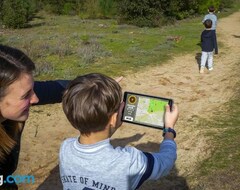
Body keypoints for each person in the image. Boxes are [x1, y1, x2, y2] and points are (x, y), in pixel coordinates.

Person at [60, 73, 179, 189]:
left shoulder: (65, 149)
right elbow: (166, 161)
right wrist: (169, 129)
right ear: (113, 118)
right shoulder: (129, 162)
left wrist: (99, 96)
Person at [0, 44, 70, 189]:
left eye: (33, 88)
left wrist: (93, 83)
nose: (35, 99)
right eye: (26, 95)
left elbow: (56, 88)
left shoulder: (15, 89)